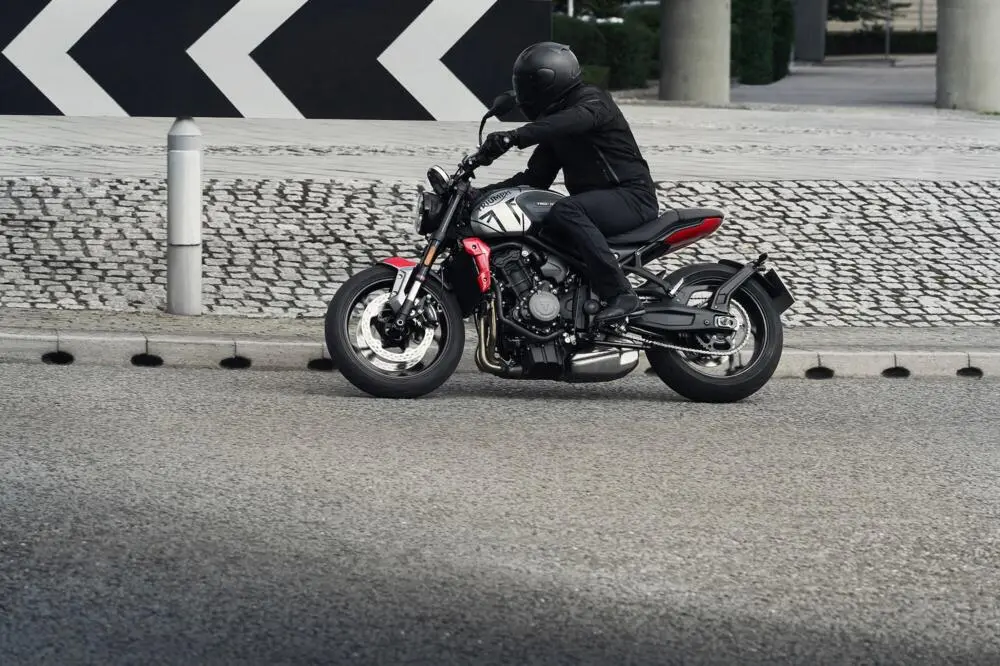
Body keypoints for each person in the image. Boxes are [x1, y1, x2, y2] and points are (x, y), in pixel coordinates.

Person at [476, 41, 659, 325]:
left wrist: (515, 136)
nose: (523, 92)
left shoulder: (593, 102)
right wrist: (480, 194)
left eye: (529, 84)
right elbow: (533, 179)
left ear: (549, 81)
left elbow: (574, 120)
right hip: (599, 204)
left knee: (565, 210)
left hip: (632, 197)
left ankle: (622, 294)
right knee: (538, 227)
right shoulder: (557, 123)